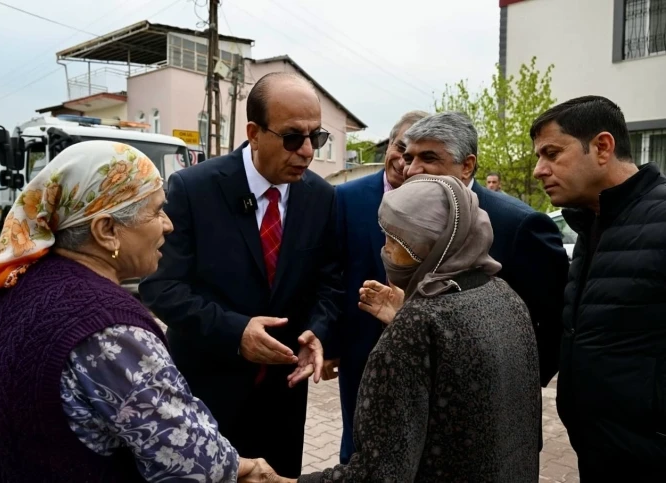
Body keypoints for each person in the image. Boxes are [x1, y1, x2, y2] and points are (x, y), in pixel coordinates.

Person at [0, 141, 277, 482]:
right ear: (107, 231)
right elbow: (202, 466)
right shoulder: (108, 328)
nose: (168, 225)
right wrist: (252, 471)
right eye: (157, 211)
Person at [139, 72, 342, 478]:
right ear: (253, 132)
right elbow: (161, 288)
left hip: (283, 399)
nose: (306, 152)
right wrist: (236, 333)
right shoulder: (193, 189)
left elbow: (330, 283)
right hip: (206, 396)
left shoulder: (321, 197)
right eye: (292, 138)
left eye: (315, 138)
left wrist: (318, 332)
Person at [277, 174, 539, 482]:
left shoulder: (416, 327)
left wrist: (285, 481)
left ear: (431, 247)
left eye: (395, 241)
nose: (385, 251)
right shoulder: (504, 296)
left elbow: (380, 473)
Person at [361, 112, 569, 390]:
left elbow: (556, 322)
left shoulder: (520, 225)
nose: (411, 170)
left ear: (467, 166)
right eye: (409, 158)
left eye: (429, 158)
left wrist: (513, 385)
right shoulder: (406, 213)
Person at [531, 95, 666, 481]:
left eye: (552, 153)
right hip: (599, 451)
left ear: (603, 147)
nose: (540, 170)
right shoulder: (593, 221)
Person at [322, 110, 429, 464]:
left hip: (421, 349)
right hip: (359, 346)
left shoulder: (436, 203)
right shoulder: (346, 198)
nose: (405, 160)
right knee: (358, 445)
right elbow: (332, 272)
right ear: (389, 144)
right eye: (401, 147)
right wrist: (331, 343)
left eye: (416, 154)